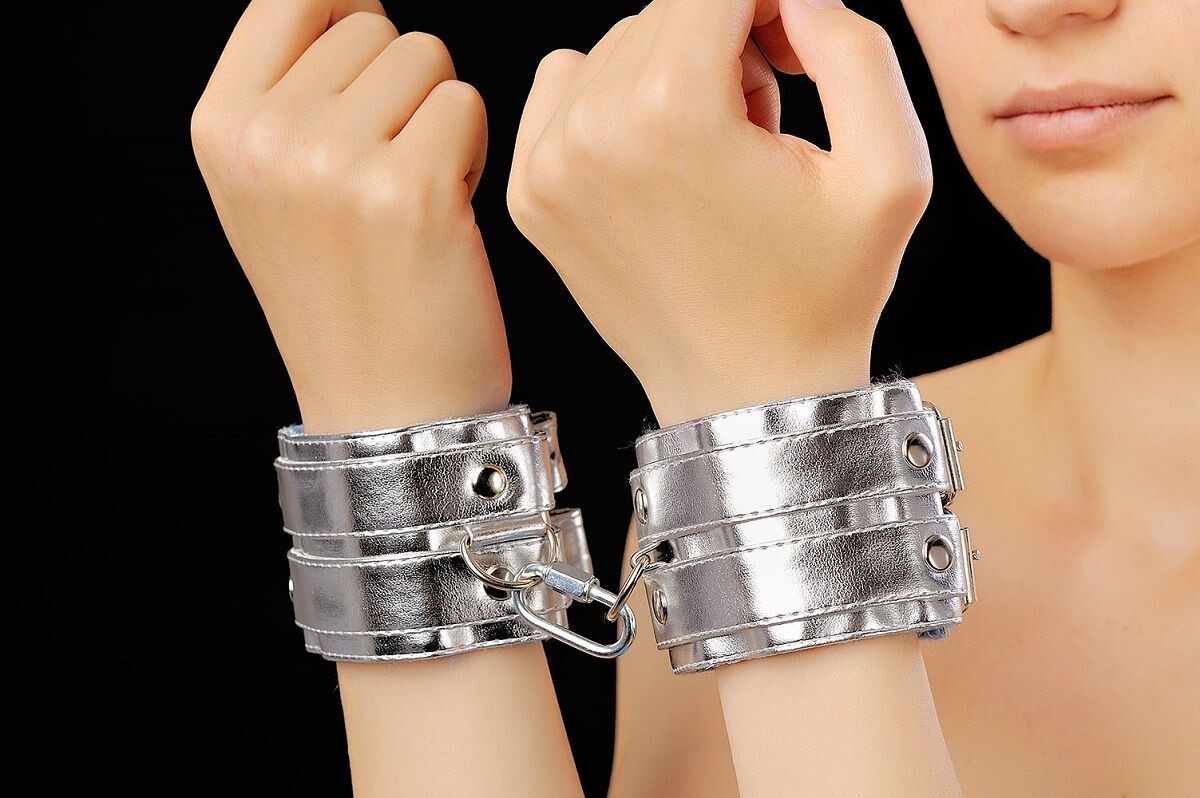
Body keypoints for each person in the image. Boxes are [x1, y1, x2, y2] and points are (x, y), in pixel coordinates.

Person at [193, 0, 1199, 794]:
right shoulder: (700, 501)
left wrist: (775, 452)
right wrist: (402, 446)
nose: (1034, 6)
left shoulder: (731, 470)